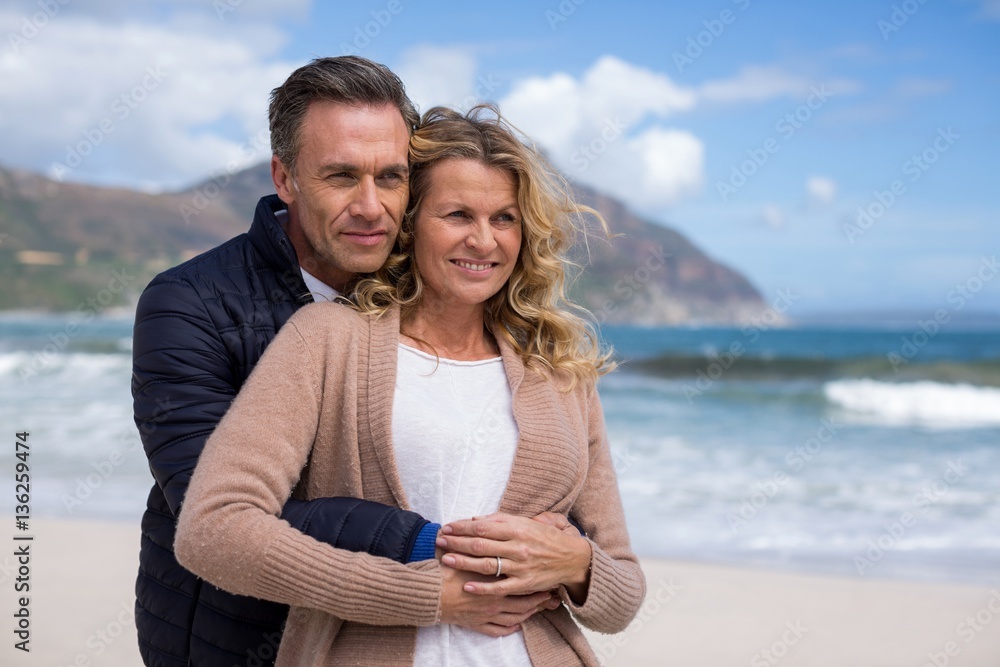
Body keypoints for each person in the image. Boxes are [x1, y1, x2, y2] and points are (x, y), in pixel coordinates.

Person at [174, 104, 646, 666]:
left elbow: (622, 594)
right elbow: (213, 530)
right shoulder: (327, 339)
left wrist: (577, 566)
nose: (483, 241)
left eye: (504, 218)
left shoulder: (559, 371)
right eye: (457, 215)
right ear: (410, 221)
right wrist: (426, 597)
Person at [131, 57, 559, 667]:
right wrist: (430, 543)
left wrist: (566, 551)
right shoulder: (189, 304)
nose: (370, 206)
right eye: (340, 176)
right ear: (286, 177)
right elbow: (211, 508)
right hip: (231, 638)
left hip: (377, 640)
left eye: (391, 177)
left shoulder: (430, 290)